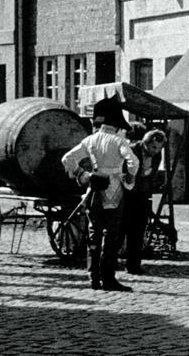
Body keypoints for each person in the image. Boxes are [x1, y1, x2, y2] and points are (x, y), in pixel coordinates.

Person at [62, 96, 138, 291]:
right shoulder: (118, 141)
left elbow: (67, 159)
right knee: (111, 234)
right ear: (116, 123)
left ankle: (94, 277)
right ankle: (108, 277)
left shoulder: (90, 140)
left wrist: (82, 174)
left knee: (94, 233)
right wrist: (130, 177)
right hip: (114, 189)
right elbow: (133, 161)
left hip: (94, 188)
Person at [121, 129, 166, 275]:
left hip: (142, 195)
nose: (155, 151)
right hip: (126, 194)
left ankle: (133, 265)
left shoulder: (157, 155)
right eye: (153, 147)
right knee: (121, 229)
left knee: (138, 230)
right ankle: (110, 262)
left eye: (159, 148)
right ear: (146, 143)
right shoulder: (132, 150)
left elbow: (152, 174)